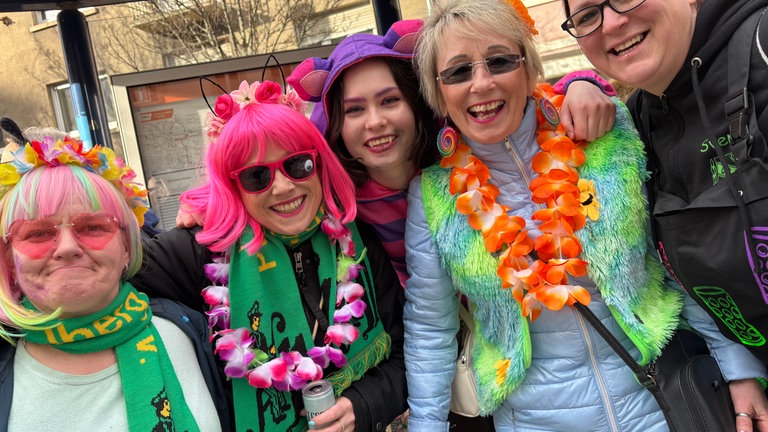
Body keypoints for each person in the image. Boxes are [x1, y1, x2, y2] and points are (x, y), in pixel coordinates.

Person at [402, 0, 768, 431]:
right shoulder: (434, 198)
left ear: (528, 67)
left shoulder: (606, 139)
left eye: (500, 61)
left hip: (660, 404)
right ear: (438, 90)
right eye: (458, 72)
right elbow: (430, 331)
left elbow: (674, 259)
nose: (481, 83)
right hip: (533, 421)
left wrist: (738, 369)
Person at [131, 79, 406, 432]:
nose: (283, 187)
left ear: (319, 164)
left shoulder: (357, 239)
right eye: (256, 176)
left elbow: (405, 354)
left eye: (298, 165)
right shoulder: (199, 252)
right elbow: (105, 271)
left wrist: (362, 405)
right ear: (233, 185)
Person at [558, 0, 768, 370]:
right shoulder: (637, 123)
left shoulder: (761, 44)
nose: (611, 23)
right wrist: (578, 83)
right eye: (588, 15)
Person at [0, 132, 228, 431]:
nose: (67, 247)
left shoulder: (189, 328)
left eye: (92, 227)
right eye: (38, 233)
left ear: (126, 248)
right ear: (9, 259)